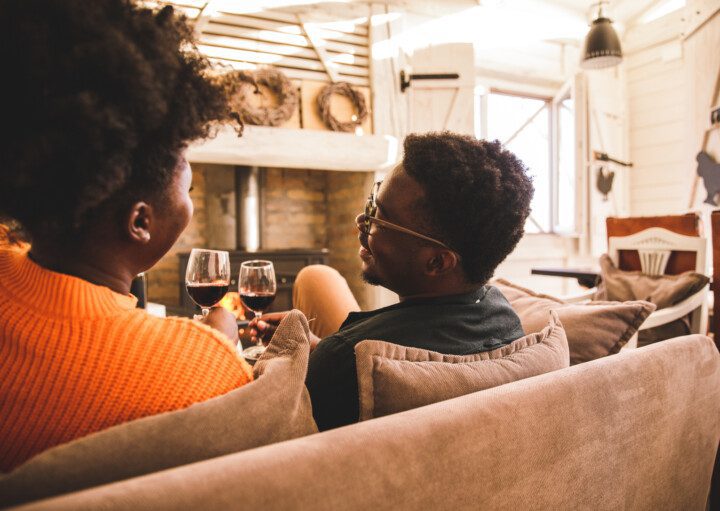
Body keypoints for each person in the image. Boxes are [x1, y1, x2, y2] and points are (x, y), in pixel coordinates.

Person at [0, 0, 251, 472]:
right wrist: (219, 340)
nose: (191, 201)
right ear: (140, 223)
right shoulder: (205, 368)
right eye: (188, 187)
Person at [250, 131, 534, 431]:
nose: (361, 222)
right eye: (373, 200)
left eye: (379, 219)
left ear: (437, 262)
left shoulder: (346, 362)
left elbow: (263, 424)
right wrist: (320, 350)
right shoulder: (502, 313)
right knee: (316, 276)